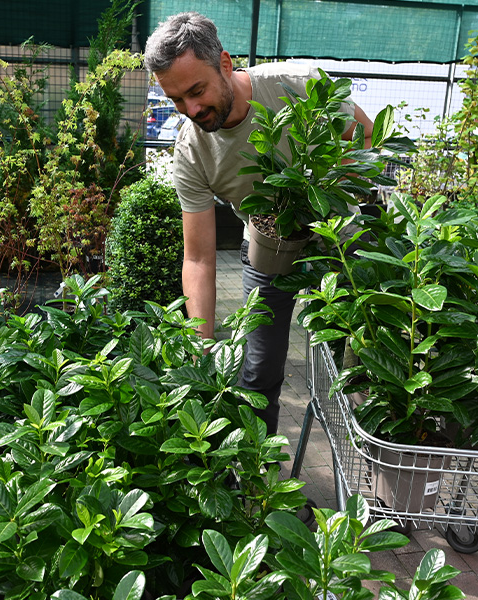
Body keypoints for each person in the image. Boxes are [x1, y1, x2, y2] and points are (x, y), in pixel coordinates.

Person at [144, 12, 374, 437]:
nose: (190, 110)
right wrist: (202, 345)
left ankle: (364, 457)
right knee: (258, 372)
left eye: (196, 91)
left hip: (341, 241)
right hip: (266, 248)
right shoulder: (191, 154)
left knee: (365, 360)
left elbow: (363, 134)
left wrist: (326, 192)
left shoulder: (298, 85)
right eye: (177, 100)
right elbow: (197, 257)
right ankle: (259, 483)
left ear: (225, 64)